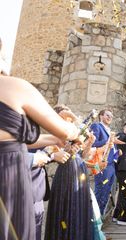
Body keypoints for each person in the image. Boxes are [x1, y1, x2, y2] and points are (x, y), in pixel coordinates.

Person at [0, 72, 78, 238]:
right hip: (8, 178)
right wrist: (73, 126)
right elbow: (66, 131)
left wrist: (52, 139)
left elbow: (11, 140)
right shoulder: (13, 86)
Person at [45, 105, 94, 240]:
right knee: (66, 207)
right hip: (66, 172)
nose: (68, 117)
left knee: (79, 207)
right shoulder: (56, 132)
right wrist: (68, 150)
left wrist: (89, 142)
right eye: (64, 114)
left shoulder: (74, 132)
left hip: (79, 168)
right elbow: (55, 155)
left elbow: (83, 155)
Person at [90, 109, 120, 216]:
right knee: (100, 189)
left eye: (111, 116)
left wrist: (117, 152)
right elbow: (92, 144)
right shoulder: (96, 126)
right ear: (101, 116)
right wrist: (107, 141)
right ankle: (94, 218)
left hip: (111, 165)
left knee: (107, 191)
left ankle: (101, 216)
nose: (109, 118)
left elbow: (111, 147)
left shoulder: (109, 130)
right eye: (107, 115)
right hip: (101, 164)